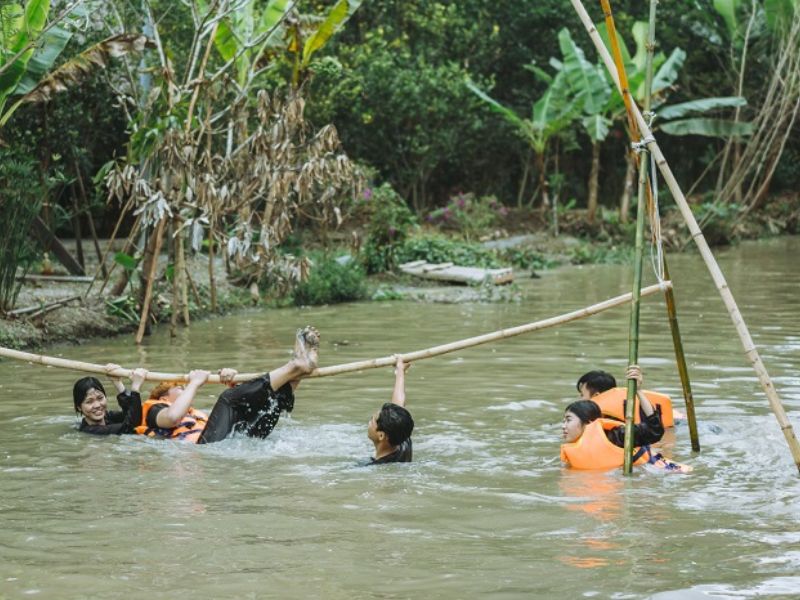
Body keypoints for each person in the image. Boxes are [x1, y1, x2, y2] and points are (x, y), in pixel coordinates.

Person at [134, 326, 320, 444]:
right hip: (205, 448)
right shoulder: (154, 409)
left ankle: (297, 373)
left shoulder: (195, 415)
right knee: (228, 399)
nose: (185, 389)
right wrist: (195, 383)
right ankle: (297, 365)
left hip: (235, 441)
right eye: (180, 388)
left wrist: (235, 383)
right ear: (164, 397)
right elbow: (173, 416)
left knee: (262, 403)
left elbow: (234, 415)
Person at [560, 365, 666, 470]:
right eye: (563, 421)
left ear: (588, 422)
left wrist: (638, 390)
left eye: (568, 420)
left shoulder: (616, 436)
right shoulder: (573, 448)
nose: (563, 426)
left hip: (653, 469)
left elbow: (654, 430)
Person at [366, 355, 414, 464]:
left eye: (372, 421)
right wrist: (400, 370)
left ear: (381, 435)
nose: (369, 423)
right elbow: (399, 404)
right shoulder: (402, 440)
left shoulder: (378, 468)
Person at [73, 364, 147, 435]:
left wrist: (117, 382)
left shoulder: (107, 416)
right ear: (79, 407)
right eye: (89, 402)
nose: (97, 405)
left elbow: (130, 414)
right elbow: (131, 427)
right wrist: (135, 388)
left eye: (100, 398)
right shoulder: (91, 430)